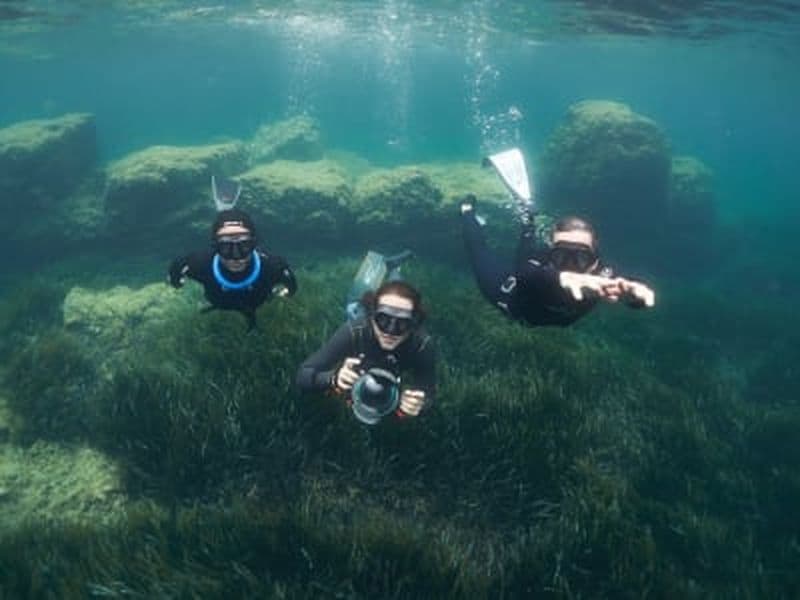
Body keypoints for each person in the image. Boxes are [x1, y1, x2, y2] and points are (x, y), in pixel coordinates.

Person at [461, 195, 655, 327]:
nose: (570, 265)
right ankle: (467, 211)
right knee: (478, 251)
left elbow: (626, 283)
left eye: (580, 257)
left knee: (525, 242)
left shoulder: (602, 276)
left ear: (595, 255)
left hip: (548, 316)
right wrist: (561, 278)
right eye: (561, 255)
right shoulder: (538, 262)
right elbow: (525, 274)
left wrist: (636, 295)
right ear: (550, 251)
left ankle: (528, 222)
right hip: (502, 292)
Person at [296, 280, 435, 424]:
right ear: (372, 315)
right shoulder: (355, 331)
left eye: (402, 323)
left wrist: (418, 404)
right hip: (360, 313)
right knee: (352, 308)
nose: (390, 332)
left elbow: (428, 393)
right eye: (383, 319)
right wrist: (333, 378)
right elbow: (303, 375)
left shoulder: (421, 345)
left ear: (414, 323)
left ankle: (393, 270)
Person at [168, 207, 297, 329]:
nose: (235, 256)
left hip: (241, 302)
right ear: (215, 246)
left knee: (251, 312)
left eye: (244, 245)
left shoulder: (272, 266)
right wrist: (286, 293)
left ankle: (247, 315)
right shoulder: (200, 263)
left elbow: (291, 284)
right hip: (223, 301)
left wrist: (178, 283)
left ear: (254, 244)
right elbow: (177, 266)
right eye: (225, 246)